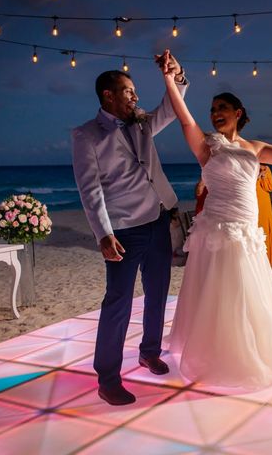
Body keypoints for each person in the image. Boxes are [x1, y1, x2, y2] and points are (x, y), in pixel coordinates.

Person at [159, 50, 272, 388]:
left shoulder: (256, 147)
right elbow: (184, 117)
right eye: (212, 109)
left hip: (247, 231)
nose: (215, 113)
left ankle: (250, 352)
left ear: (238, 113)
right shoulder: (207, 145)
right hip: (217, 228)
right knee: (219, 295)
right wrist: (168, 79)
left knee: (248, 294)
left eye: (222, 108)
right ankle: (217, 357)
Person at [71, 55, 188, 406]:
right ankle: (107, 378)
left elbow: (172, 106)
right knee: (118, 302)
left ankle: (149, 351)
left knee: (158, 292)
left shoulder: (142, 122)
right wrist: (103, 234)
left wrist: (176, 74)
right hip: (123, 230)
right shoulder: (86, 136)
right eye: (129, 91)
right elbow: (89, 189)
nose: (135, 97)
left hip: (159, 220)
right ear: (108, 96)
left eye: (136, 91)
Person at [257, 164, 272, 267]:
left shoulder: (265, 167)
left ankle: (266, 257)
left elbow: (271, 187)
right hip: (250, 199)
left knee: (264, 228)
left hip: (263, 201)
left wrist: (263, 176)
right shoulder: (247, 165)